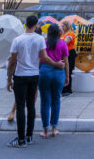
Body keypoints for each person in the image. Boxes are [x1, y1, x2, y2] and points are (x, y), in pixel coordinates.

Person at [7, 15, 65, 148]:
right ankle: (29, 136)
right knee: (31, 106)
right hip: (34, 75)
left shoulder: (17, 40)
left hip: (20, 76)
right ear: (36, 25)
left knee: (20, 107)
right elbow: (44, 58)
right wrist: (57, 64)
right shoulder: (40, 39)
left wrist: (9, 79)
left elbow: (12, 61)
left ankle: (21, 140)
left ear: (25, 24)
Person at [38, 24, 69, 138]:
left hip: (44, 72)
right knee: (56, 100)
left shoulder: (43, 43)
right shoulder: (63, 43)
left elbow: (40, 59)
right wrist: (67, 76)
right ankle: (54, 129)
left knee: (45, 102)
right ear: (58, 32)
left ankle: (45, 130)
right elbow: (66, 62)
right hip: (58, 73)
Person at [60, 20, 76, 96]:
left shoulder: (70, 34)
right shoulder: (63, 34)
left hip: (70, 53)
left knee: (68, 70)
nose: (62, 27)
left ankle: (67, 89)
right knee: (64, 70)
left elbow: (65, 42)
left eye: (63, 26)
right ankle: (63, 88)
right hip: (64, 53)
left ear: (67, 26)